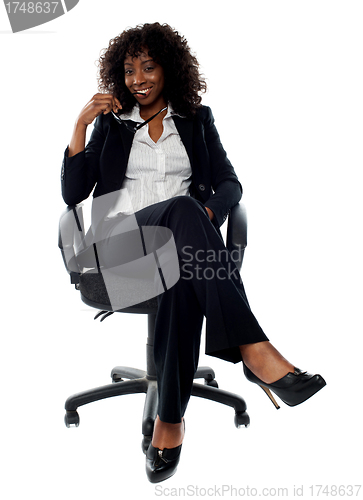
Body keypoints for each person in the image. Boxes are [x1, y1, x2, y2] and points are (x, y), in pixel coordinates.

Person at [61, 22, 326, 483]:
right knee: (183, 215)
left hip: (181, 256)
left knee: (182, 262)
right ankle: (253, 349)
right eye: (128, 70)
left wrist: (208, 211)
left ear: (169, 69)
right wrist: (80, 124)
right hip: (118, 257)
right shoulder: (110, 122)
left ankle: (169, 420)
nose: (138, 78)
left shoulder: (197, 120)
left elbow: (230, 184)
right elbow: (73, 192)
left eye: (148, 66)